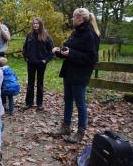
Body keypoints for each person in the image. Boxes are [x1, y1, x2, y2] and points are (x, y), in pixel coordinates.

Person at [52, 8, 100, 143]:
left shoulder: (90, 34)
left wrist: (70, 53)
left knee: (80, 104)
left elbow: (92, 58)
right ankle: (66, 127)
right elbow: (68, 48)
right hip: (69, 72)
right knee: (67, 100)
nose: (72, 19)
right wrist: (58, 51)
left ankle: (80, 132)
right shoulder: (76, 32)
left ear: (80, 18)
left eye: (74, 17)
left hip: (80, 75)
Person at [23, 17, 54, 111]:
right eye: (34, 23)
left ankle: (39, 103)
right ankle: (29, 103)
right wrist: (26, 57)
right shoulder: (29, 35)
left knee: (40, 83)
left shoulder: (45, 35)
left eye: (37, 23)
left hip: (41, 63)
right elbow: (25, 48)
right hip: (31, 62)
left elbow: (51, 50)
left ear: (40, 25)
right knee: (30, 83)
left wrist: (46, 60)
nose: (35, 25)